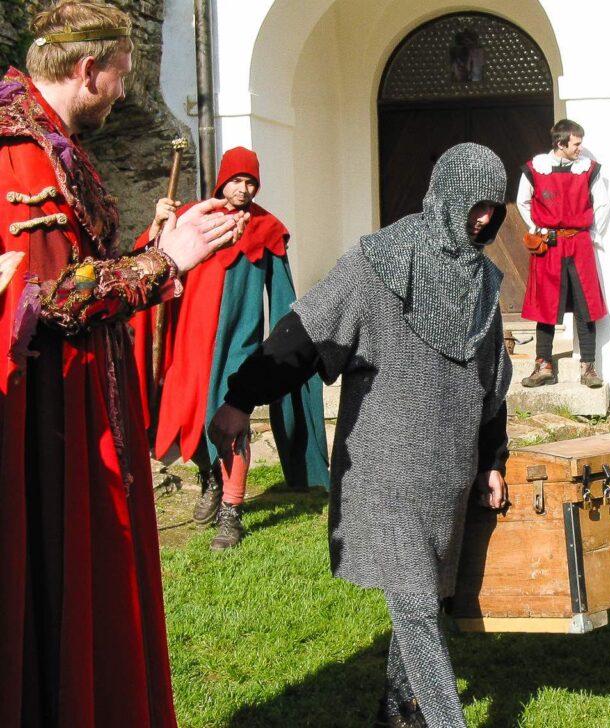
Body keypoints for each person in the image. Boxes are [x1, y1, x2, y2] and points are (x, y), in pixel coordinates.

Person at [0, 3, 246, 725]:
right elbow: (44, 297)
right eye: (123, 77)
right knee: (56, 587)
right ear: (88, 70)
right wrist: (163, 262)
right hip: (46, 422)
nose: (125, 92)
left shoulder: (52, 145)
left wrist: (155, 253)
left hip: (81, 406)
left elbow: (82, 273)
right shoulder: (16, 156)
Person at [208, 143, 512, 727]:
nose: (483, 219)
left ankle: (396, 707)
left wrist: (490, 458)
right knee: (417, 601)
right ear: (447, 194)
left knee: (425, 597)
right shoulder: (379, 263)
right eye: (475, 205)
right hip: (385, 466)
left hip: (446, 469)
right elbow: (303, 335)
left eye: (492, 209)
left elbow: (491, 380)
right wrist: (241, 399)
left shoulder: (483, 283)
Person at [132, 147, 329, 550]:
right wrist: (157, 225)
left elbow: (284, 295)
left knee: (230, 418)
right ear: (222, 181)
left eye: (251, 181)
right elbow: (150, 260)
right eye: (236, 180)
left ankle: (232, 511)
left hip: (239, 340)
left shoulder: (267, 229)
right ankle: (210, 479)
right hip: (190, 342)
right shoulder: (194, 218)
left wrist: (285, 350)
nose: (243, 188)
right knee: (191, 415)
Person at [517, 119, 610, 388]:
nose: (581, 148)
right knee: (545, 306)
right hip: (549, 244)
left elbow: (602, 204)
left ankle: (588, 367)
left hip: (579, 243)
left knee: (585, 306)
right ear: (561, 144)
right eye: (576, 143)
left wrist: (594, 235)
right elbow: (523, 200)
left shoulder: (587, 170)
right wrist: (536, 226)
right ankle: (543, 365)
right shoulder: (535, 170)